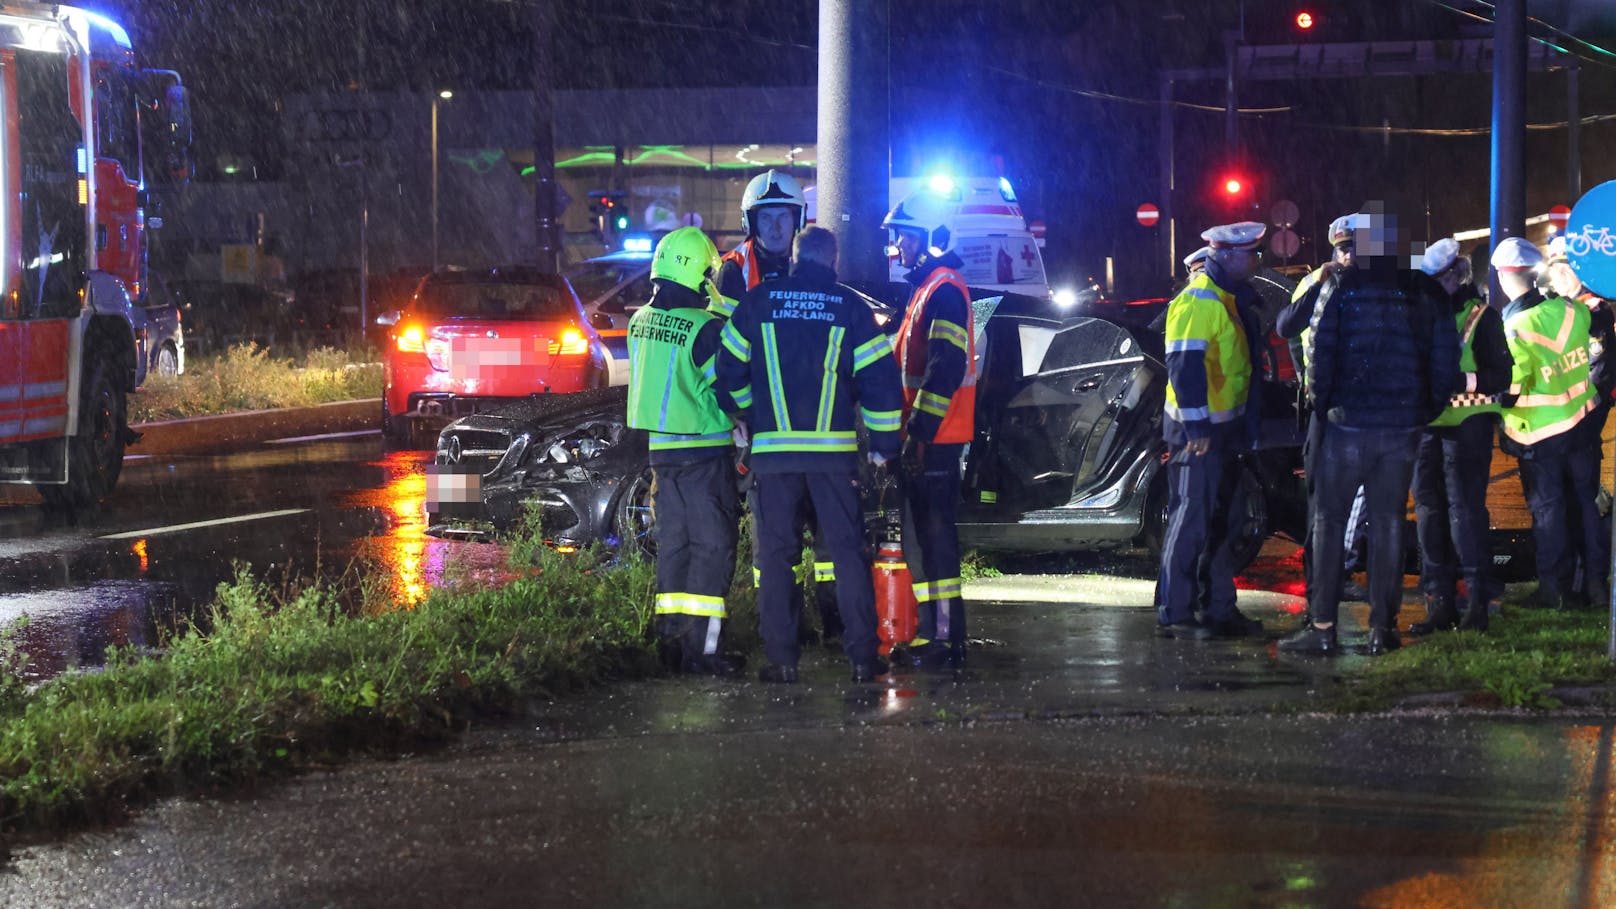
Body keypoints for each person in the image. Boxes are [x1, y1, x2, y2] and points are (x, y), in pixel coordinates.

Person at [718, 226, 903, 683]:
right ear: (834, 261)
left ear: (795, 258)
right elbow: (881, 384)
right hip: (833, 460)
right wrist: (884, 447)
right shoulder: (851, 309)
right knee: (847, 555)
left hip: (773, 459)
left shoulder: (759, 303)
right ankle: (862, 659)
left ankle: (781, 662)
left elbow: (727, 370)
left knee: (776, 558)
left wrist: (745, 413)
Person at [1279, 206, 1458, 656]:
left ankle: (1322, 628)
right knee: (1389, 525)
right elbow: (1445, 360)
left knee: (1329, 520)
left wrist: (1327, 405)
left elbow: (1320, 351)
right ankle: (1383, 629)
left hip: (1346, 426)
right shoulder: (1425, 289)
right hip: (1401, 427)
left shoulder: (1340, 285)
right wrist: (1424, 409)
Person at [625, 226, 744, 676]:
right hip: (704, 455)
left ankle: (671, 646)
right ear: (698, 274)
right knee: (713, 551)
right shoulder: (705, 330)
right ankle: (705, 652)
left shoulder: (639, 322)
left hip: (660, 457)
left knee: (673, 550)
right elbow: (730, 389)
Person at [1155, 221, 1271, 641]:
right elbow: (1184, 368)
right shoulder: (1200, 301)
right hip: (1197, 436)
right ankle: (1175, 611)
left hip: (1226, 433)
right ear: (1224, 255)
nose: (1257, 260)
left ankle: (1219, 607)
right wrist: (1198, 427)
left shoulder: (1228, 299)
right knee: (1191, 521)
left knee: (1227, 519)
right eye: (1251, 253)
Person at [882, 187, 976, 669]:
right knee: (928, 537)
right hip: (928, 438)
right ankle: (937, 635)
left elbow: (945, 368)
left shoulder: (943, 289)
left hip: (935, 441)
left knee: (936, 539)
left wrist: (919, 433)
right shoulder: (926, 288)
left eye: (904, 236)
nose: (898, 245)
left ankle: (944, 640)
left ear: (932, 238)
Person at [1492, 237, 1606, 610]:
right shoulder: (1572, 311)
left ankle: (1554, 590)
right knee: (1585, 504)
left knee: (1548, 511)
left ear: (1506, 277)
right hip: (1580, 425)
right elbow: (1594, 322)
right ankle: (1594, 583)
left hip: (1538, 435)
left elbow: (1511, 387)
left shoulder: (1514, 327)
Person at [1408, 238, 1512, 634]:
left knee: (1464, 512)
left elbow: (1501, 375)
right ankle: (1439, 604)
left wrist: (1460, 381)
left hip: (1468, 425)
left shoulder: (1483, 317)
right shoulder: (1421, 316)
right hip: (1427, 427)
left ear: (1456, 275)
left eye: (1438, 280)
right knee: (1429, 514)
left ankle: (1477, 604)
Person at [1276, 213, 1369, 604]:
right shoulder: (1314, 284)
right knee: (1325, 502)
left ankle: (1343, 572)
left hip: (1366, 410)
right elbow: (1289, 331)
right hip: (1325, 410)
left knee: (1363, 501)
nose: (1349, 257)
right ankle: (1322, 582)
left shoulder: (1379, 288)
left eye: (1355, 249)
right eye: (1343, 249)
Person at [715, 169, 808, 314]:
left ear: (797, 220)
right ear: (752, 223)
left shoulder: (811, 263)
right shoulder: (733, 268)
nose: (775, 227)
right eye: (766, 218)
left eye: (783, 216)